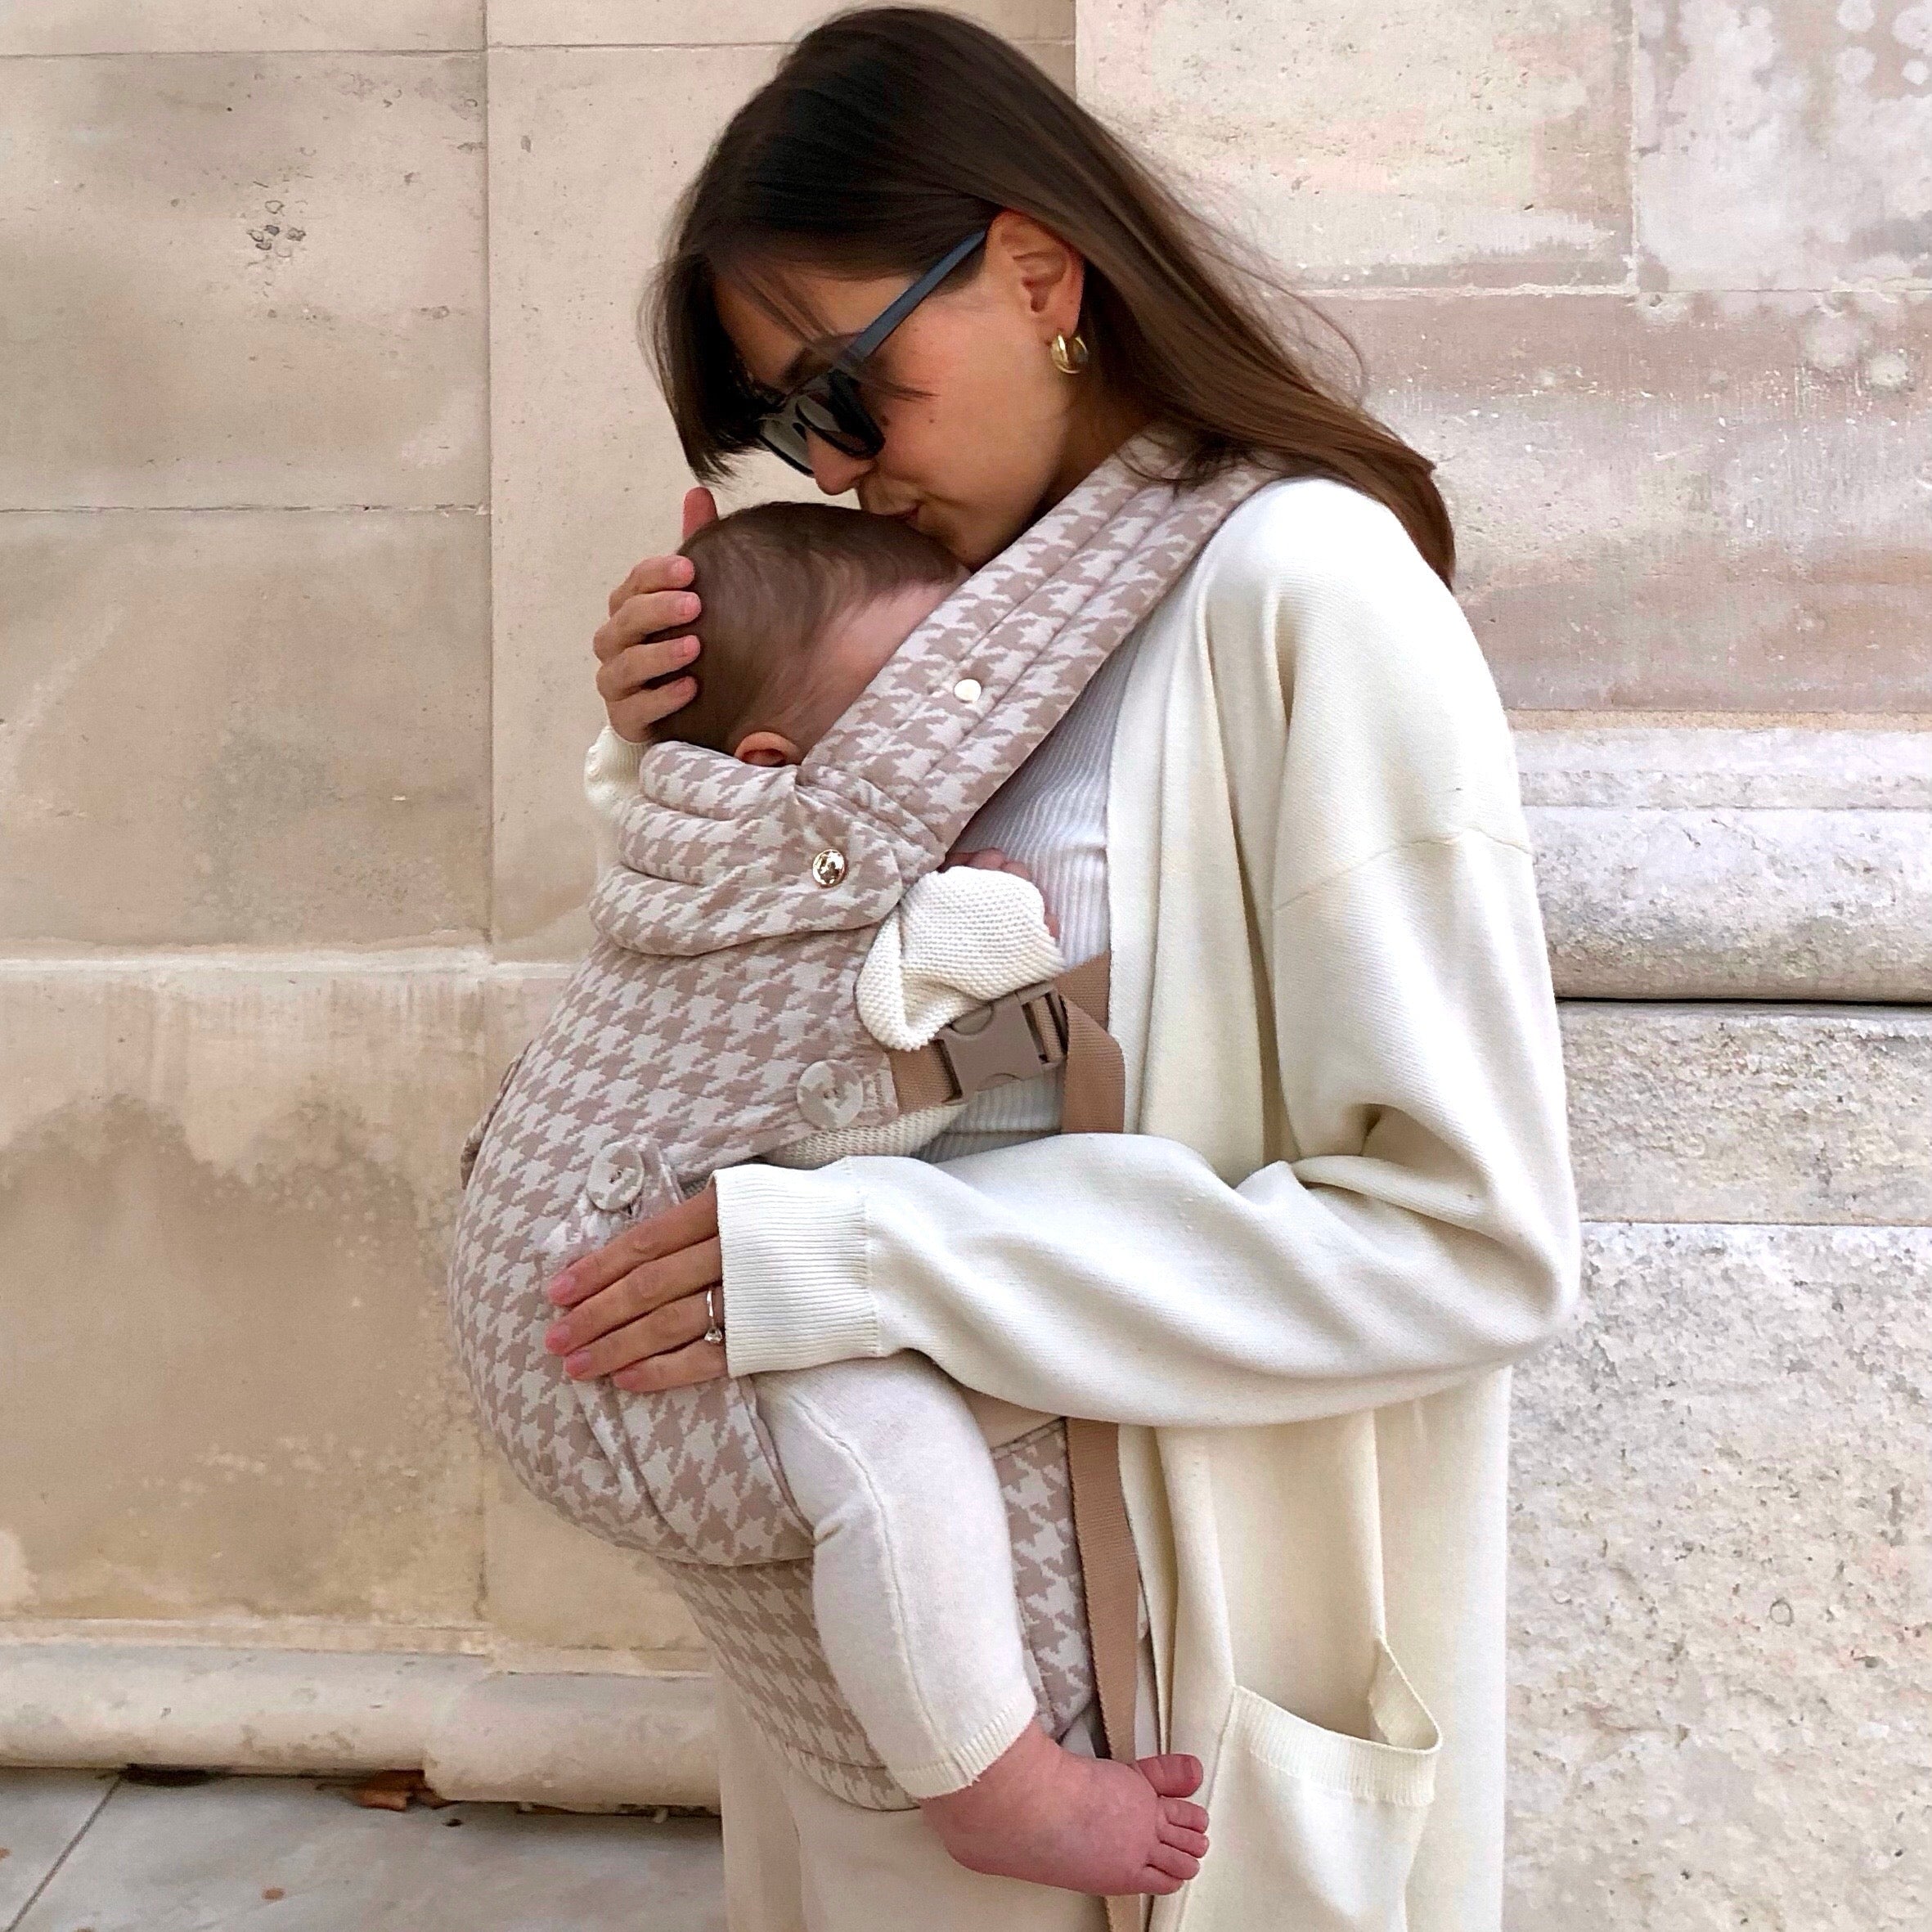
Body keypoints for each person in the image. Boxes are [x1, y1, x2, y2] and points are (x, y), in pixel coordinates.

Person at [541, 9, 1580, 1927]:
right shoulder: (939, 630)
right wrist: (682, 753)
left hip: (1166, 1696)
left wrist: (855, 1256)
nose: (833, 469)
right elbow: (770, 1035)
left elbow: (1472, 1236)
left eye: (847, 390)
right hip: (899, 1685)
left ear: (1034, 271)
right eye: (786, 424)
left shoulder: (1302, 591)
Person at [574, 496, 1211, 1896]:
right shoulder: (816, 873)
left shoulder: (704, 831)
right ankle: (999, 1785)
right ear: (774, 766)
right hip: (695, 1284)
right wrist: (988, 912)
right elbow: (921, 1005)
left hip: (681, 1258)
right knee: (896, 1463)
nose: (970, 753)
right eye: (919, 711)